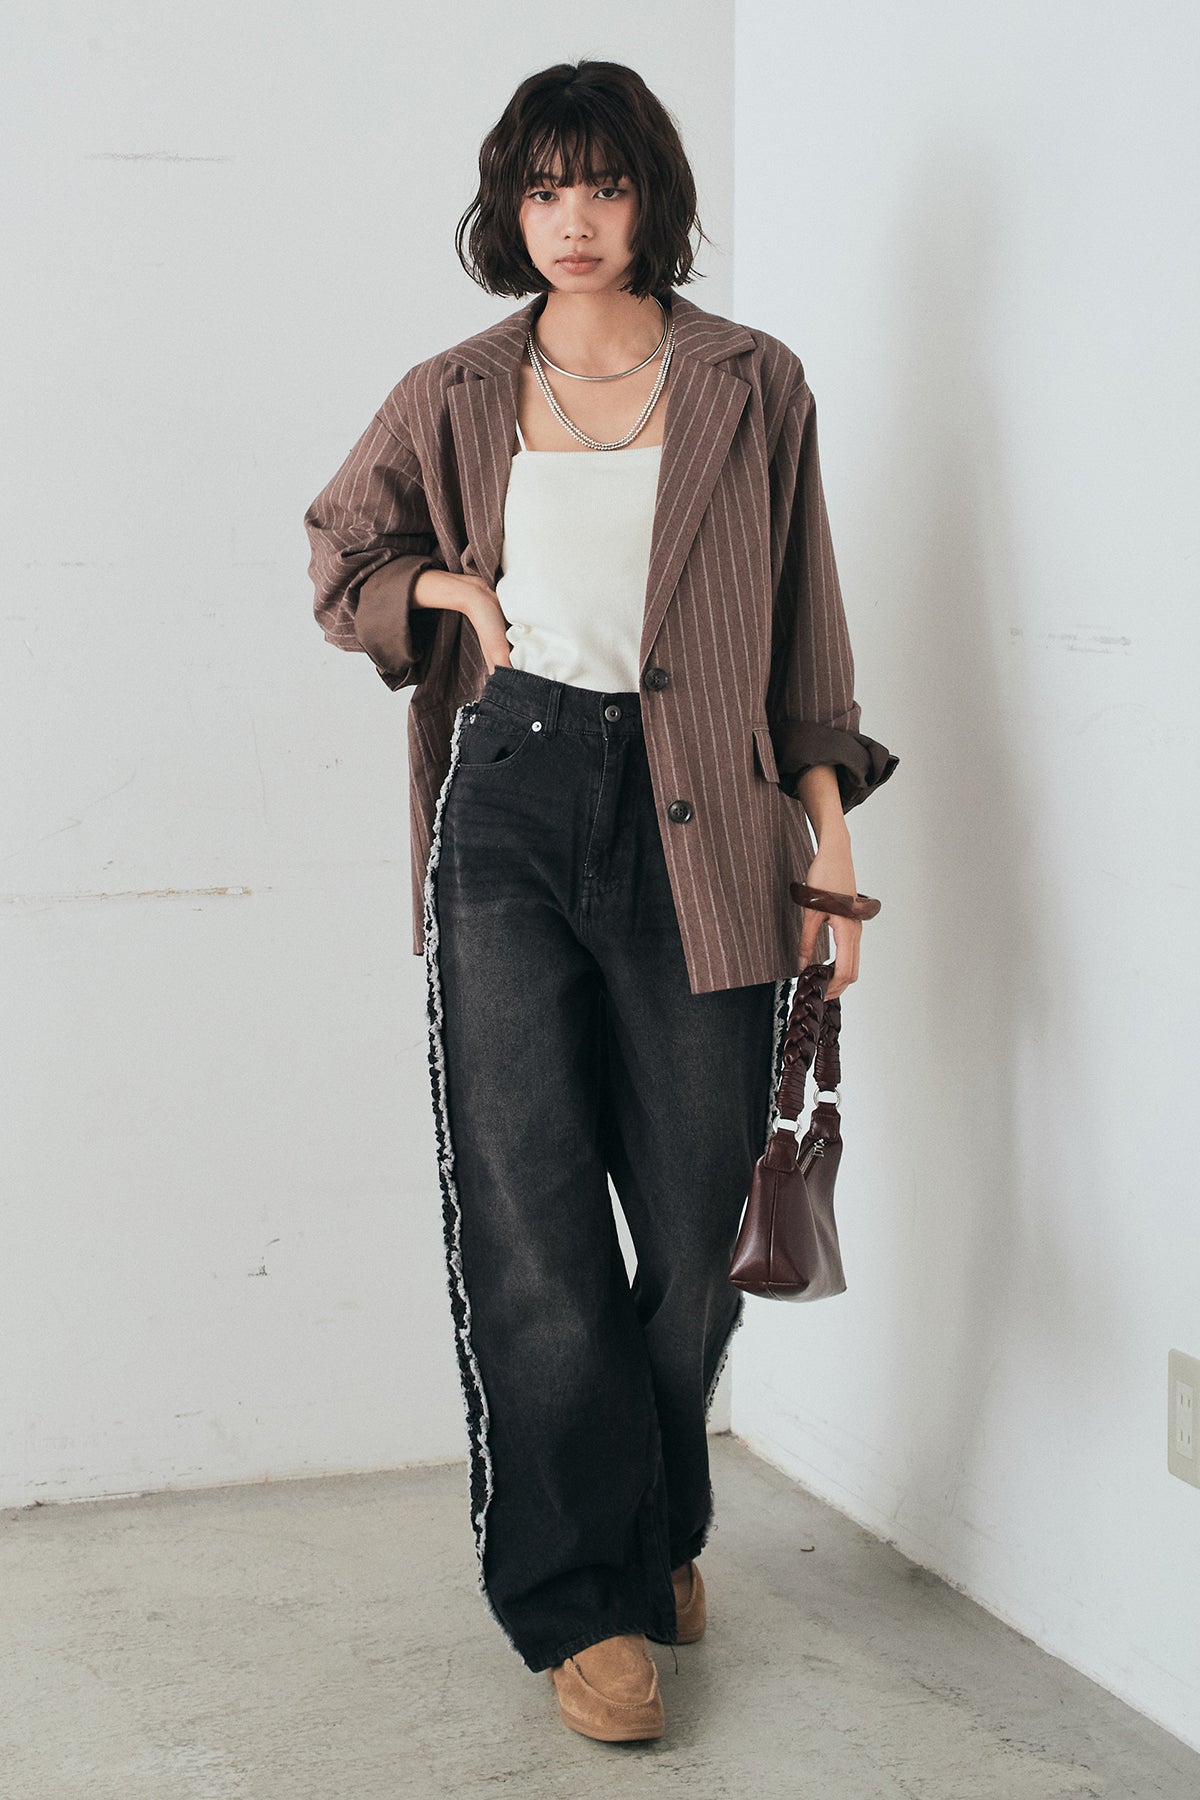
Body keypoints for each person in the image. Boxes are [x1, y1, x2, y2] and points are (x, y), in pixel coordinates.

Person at [304, 59, 898, 1744]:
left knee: (704, 1212)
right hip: (509, 796)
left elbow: (807, 635)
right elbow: (342, 557)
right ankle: (585, 1598)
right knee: (531, 1214)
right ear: (511, 205)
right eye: (544, 188)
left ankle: (652, 1517)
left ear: (654, 199)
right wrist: (447, 590)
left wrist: (829, 851)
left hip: (705, 811)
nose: (574, 220)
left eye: (606, 185)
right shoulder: (453, 388)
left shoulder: (750, 383)